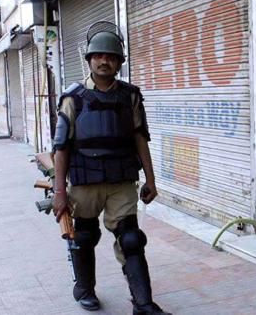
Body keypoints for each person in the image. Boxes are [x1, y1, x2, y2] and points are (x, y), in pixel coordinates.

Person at [52, 21, 170, 315]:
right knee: (85, 237)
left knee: (131, 239)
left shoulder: (130, 96)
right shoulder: (73, 98)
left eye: (112, 56)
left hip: (121, 180)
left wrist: (151, 180)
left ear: (119, 62)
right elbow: (61, 148)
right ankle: (85, 289)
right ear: (90, 59)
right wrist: (59, 193)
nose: (105, 61)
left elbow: (140, 138)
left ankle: (143, 305)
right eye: (99, 56)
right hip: (84, 181)